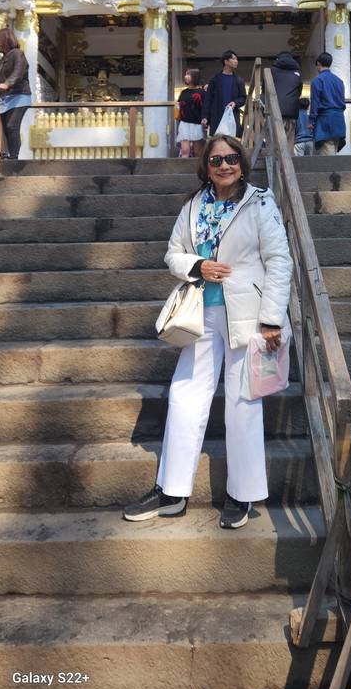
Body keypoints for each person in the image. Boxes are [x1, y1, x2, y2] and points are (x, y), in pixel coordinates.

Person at [123, 134, 292, 530]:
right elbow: (173, 254)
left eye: (232, 158)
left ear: (243, 162)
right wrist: (199, 266)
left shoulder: (260, 202)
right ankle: (171, 489)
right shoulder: (195, 205)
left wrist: (272, 319)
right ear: (206, 166)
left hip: (248, 314)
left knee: (243, 401)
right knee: (185, 395)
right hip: (200, 313)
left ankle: (243, 494)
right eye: (217, 160)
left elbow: (280, 261)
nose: (225, 165)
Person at [0, 28, 31, 159]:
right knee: (6, 129)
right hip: (5, 98)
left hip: (20, 96)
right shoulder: (2, 60)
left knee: (12, 126)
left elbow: (18, 72)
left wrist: (7, 84)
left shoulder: (18, 54)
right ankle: (9, 155)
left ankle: (14, 158)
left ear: (6, 39)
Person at [202, 50, 246, 138]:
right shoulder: (214, 79)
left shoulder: (239, 80)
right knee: (217, 144)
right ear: (226, 61)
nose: (236, 61)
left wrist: (235, 103)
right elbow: (208, 99)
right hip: (217, 117)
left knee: (231, 144)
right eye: (233, 59)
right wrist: (205, 117)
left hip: (231, 118)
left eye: (237, 59)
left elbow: (243, 98)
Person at [309, 52, 346, 155]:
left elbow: (315, 102)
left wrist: (311, 121)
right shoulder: (339, 81)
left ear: (318, 63)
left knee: (327, 154)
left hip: (325, 120)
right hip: (339, 119)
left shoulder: (317, 80)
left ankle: (333, 171)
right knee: (333, 147)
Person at [270, 52, 302, 152]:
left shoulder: (272, 71)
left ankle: (277, 165)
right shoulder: (297, 72)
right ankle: (290, 165)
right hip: (292, 112)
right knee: (289, 140)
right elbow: (299, 91)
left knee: (276, 140)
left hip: (276, 110)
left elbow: (265, 89)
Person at [176, 67, 206, 158]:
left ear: (195, 77)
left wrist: (205, 120)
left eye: (188, 74)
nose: (186, 76)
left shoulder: (201, 92)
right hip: (184, 122)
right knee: (185, 150)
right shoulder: (183, 92)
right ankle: (182, 171)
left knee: (197, 152)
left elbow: (205, 108)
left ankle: (198, 171)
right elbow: (179, 105)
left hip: (197, 124)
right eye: (186, 74)